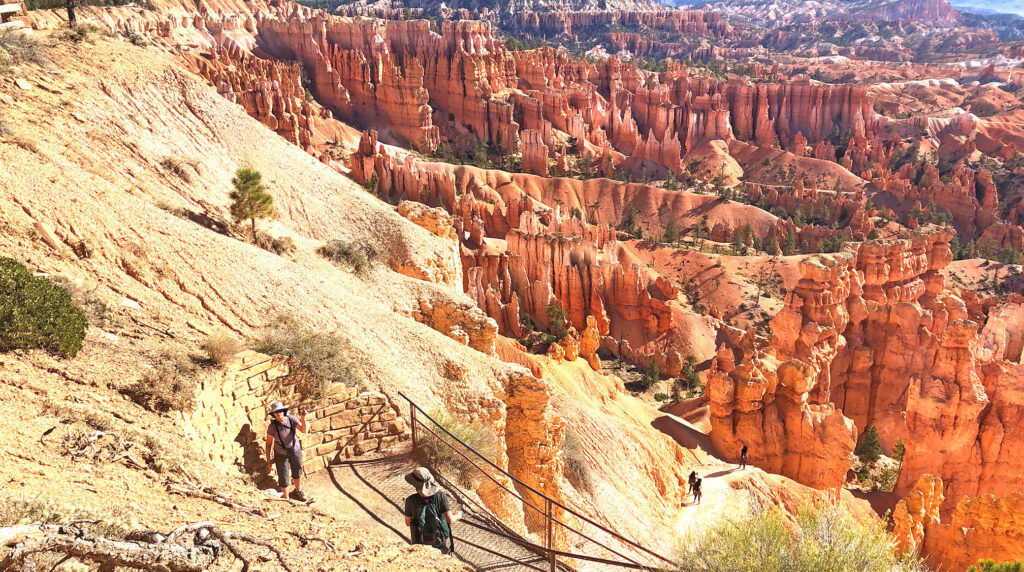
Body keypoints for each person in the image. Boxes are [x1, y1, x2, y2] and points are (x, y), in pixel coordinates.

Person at [404, 467, 459, 554]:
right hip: (441, 541)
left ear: (414, 483)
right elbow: (450, 520)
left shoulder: (410, 500)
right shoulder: (441, 496)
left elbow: (408, 522)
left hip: (420, 543)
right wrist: (458, 515)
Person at [265, 401, 308, 502]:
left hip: (294, 449)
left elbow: (303, 430)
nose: (279, 413)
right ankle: (286, 498)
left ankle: (298, 490)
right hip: (281, 453)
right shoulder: (272, 427)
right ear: (273, 414)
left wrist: (303, 418)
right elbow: (268, 444)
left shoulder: (291, 419)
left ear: (283, 411)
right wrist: (268, 461)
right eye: (276, 412)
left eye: (280, 411)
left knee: (297, 470)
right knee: (283, 475)